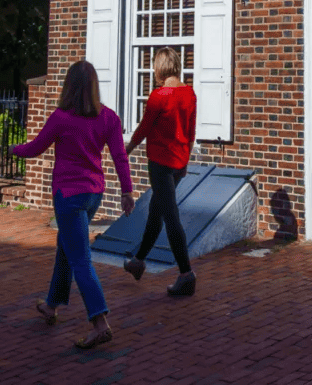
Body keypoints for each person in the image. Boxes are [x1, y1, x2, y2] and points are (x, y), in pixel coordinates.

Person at [11, 60, 135, 350]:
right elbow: (120, 157)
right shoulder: (109, 119)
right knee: (65, 246)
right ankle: (52, 305)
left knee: (80, 258)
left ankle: (100, 323)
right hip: (94, 194)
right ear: (94, 86)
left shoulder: (61, 118)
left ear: (69, 86)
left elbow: (36, 147)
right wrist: (127, 192)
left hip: (68, 197)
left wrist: (14, 149)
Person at [123, 46, 197, 296]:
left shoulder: (159, 96)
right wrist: (185, 162)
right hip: (177, 164)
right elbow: (190, 132)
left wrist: (129, 148)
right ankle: (138, 261)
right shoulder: (190, 94)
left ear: (160, 68)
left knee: (170, 217)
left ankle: (186, 274)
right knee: (157, 211)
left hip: (160, 163)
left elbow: (144, 128)